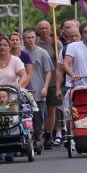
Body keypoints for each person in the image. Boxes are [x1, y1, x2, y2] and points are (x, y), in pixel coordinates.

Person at [22, 27, 54, 147]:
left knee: (38, 116)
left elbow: (48, 71)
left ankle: (39, 138)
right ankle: (27, 137)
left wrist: (45, 87)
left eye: (32, 37)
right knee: (26, 115)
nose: (31, 40)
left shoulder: (42, 53)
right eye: (28, 38)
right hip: (26, 90)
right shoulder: (21, 53)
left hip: (39, 89)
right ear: (23, 39)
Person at [35, 20, 62, 149]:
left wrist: (58, 84)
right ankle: (37, 135)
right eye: (42, 28)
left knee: (52, 110)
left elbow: (60, 64)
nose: (44, 31)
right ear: (38, 30)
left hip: (51, 82)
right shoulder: (34, 43)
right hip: (37, 81)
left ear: (50, 29)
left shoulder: (56, 44)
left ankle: (48, 135)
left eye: (46, 28)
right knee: (38, 111)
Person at [53, 26, 82, 145]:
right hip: (70, 86)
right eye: (71, 37)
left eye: (76, 36)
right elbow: (59, 70)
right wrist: (58, 88)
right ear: (67, 38)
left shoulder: (86, 48)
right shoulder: (64, 50)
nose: (74, 38)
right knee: (71, 113)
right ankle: (73, 136)